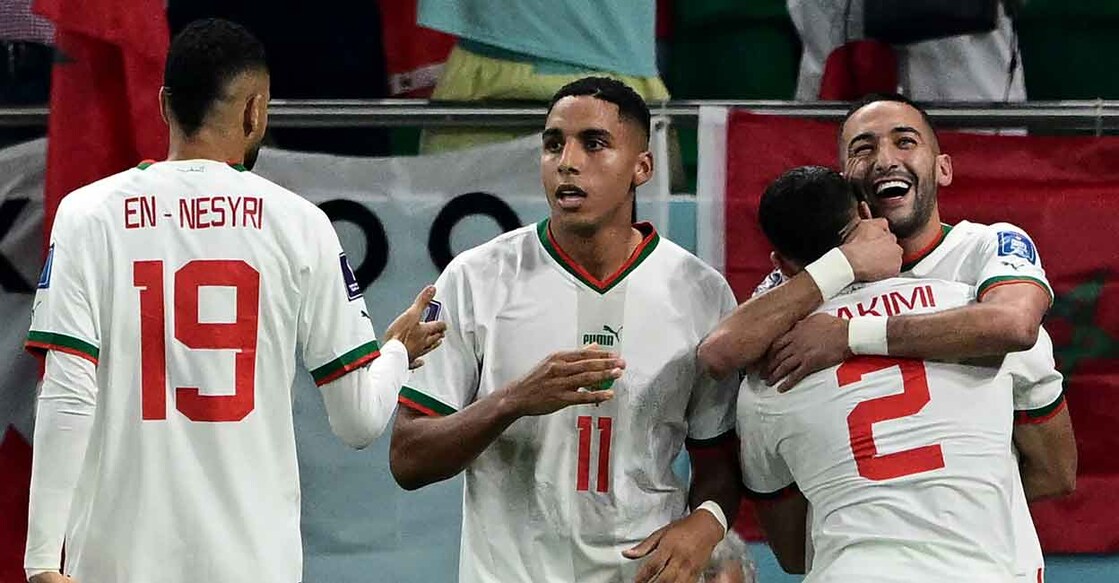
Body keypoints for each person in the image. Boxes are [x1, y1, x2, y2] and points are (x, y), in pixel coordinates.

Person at [22, 19, 445, 583]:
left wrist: (42, 561)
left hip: (116, 562)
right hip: (252, 564)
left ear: (163, 104)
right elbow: (359, 421)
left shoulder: (88, 214)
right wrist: (396, 350)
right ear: (255, 111)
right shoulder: (301, 225)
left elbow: (67, 393)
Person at [699, 94, 1076, 580]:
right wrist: (847, 265)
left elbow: (1013, 325)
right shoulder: (821, 286)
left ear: (942, 168)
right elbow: (720, 350)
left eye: (904, 141)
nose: (885, 159)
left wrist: (851, 335)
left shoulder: (985, 246)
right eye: (863, 148)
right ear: (847, 182)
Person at [390, 76, 740, 583]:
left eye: (593, 144)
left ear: (642, 167)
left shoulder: (700, 291)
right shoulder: (475, 277)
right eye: (553, 144)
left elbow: (720, 457)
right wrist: (512, 400)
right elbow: (408, 457)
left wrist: (706, 525)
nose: (567, 162)